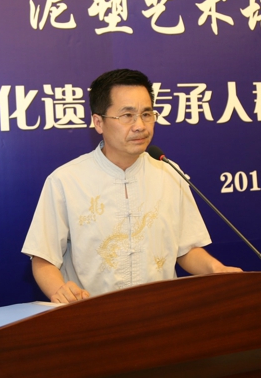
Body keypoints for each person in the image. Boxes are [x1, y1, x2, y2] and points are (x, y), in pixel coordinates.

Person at [22, 68, 241, 303]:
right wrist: (60, 290)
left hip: (161, 312)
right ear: (98, 122)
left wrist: (215, 269)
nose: (140, 125)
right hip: (92, 314)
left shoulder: (169, 173)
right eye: (127, 115)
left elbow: (187, 249)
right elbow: (43, 258)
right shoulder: (66, 180)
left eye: (147, 114)